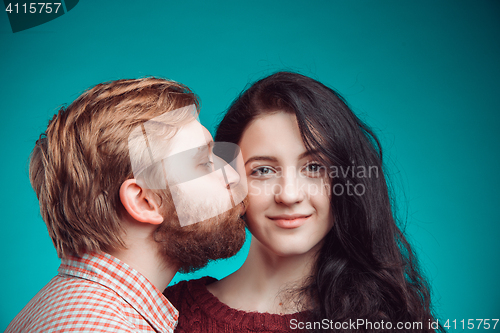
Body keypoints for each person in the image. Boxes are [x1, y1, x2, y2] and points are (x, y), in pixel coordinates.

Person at [165, 72, 443, 332]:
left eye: (314, 168)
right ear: (229, 182)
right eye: (263, 170)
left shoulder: (392, 321)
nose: (289, 195)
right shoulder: (167, 315)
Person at [6, 77, 247, 333]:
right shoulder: (101, 327)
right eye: (204, 163)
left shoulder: (67, 306)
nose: (232, 176)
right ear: (145, 201)